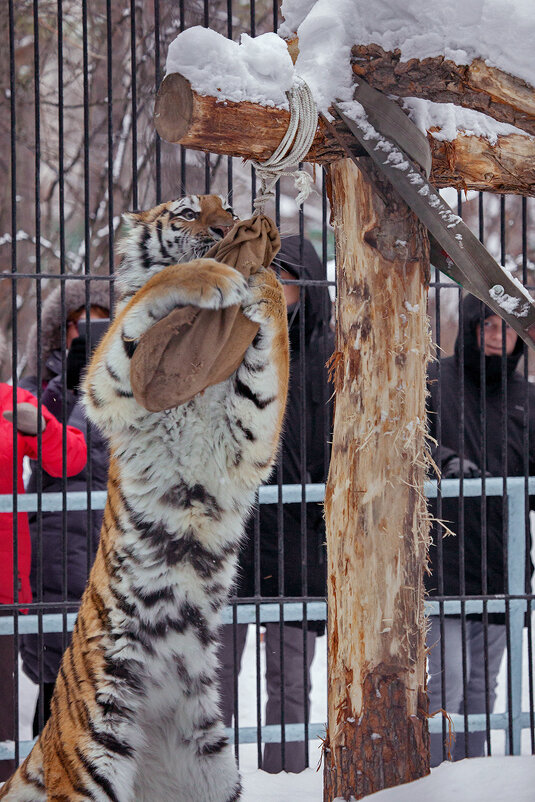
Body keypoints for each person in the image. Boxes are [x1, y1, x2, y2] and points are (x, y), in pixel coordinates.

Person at [218, 235, 334, 773]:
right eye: (267, 277)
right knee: (213, 684)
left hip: (297, 544)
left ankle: (285, 781)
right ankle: (207, 781)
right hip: (231, 537)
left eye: (286, 280)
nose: (275, 290)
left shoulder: (334, 358)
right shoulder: (228, 344)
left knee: (289, 684)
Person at [426, 294, 535, 765]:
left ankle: (474, 779)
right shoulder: (432, 382)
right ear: (469, 327)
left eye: (507, 327)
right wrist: (447, 464)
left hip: (501, 562)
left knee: (481, 684)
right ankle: (432, 779)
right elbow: (407, 444)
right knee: (445, 682)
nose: (497, 336)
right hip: (441, 559)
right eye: (487, 325)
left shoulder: (528, 398)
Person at [19, 280, 111, 735]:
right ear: (61, 330)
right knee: (58, 665)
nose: (91, 333)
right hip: (57, 536)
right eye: (82, 324)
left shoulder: (133, 384)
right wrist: (70, 389)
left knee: (106, 669)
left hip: (112, 534)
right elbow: (54, 454)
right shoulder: (38, 387)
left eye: (102, 322)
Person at [0, 331, 87, 780]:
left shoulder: (10, 401)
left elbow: (70, 460)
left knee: (2, 710)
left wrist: (45, 426)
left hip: (4, 579)